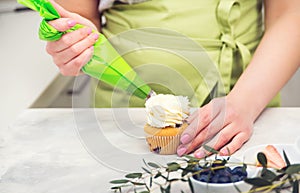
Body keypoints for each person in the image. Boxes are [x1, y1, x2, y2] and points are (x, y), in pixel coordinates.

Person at [45, 0, 300, 158]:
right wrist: (76, 46)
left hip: (250, 107)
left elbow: (290, 13)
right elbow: (80, 14)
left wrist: (244, 103)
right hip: (127, 116)